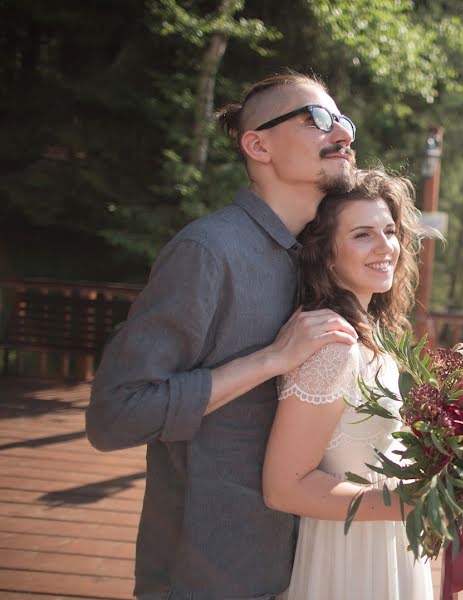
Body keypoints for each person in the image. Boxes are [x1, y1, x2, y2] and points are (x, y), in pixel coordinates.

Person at [86, 71, 360, 599]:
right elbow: (113, 416)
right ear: (257, 145)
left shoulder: (318, 259)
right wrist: (269, 360)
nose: (344, 133)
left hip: (302, 569)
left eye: (343, 119)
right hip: (207, 576)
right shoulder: (206, 253)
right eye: (318, 119)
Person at [262, 169, 434, 600]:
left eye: (390, 231)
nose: (385, 247)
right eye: (362, 235)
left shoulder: (370, 335)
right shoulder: (333, 349)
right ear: (327, 255)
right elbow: (284, 486)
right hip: (352, 556)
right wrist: (409, 504)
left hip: (385, 538)